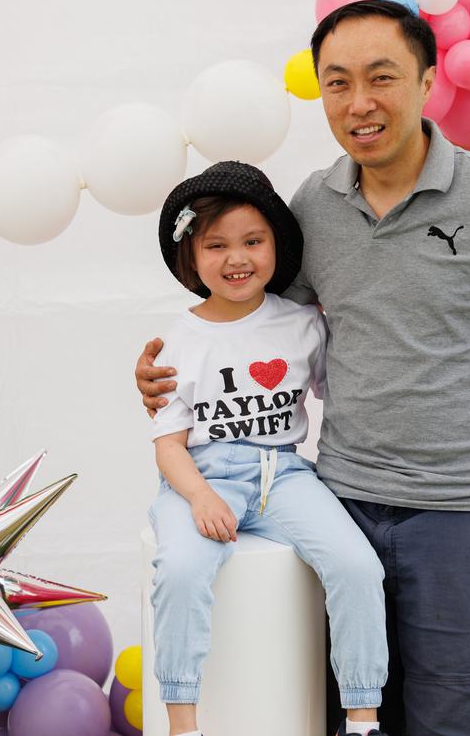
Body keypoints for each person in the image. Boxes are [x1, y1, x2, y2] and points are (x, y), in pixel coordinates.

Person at [137, 1, 470, 735]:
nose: (358, 103)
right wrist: (167, 375)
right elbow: (259, 326)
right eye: (337, 83)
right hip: (340, 506)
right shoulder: (314, 206)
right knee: (354, 717)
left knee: (465, 720)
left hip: (458, 518)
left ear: (427, 82)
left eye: (381, 77)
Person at [147, 160, 389, 736]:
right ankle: (184, 722)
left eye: (253, 241)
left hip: (284, 475)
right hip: (201, 476)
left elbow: (344, 395)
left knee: (358, 566)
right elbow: (169, 446)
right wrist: (201, 497)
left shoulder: (305, 324)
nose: (237, 259)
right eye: (217, 245)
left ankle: (361, 718)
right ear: (191, 257)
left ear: (276, 245)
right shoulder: (176, 341)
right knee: (180, 571)